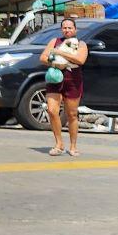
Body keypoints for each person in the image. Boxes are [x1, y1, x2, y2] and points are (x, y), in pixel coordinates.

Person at [40, 17, 88, 157]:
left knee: (72, 114)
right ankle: (59, 144)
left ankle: (73, 146)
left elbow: (80, 60)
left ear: (75, 29)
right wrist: (55, 63)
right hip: (55, 79)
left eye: (70, 28)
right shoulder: (55, 42)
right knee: (51, 110)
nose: (67, 30)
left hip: (73, 81)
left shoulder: (81, 44)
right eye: (64, 28)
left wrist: (60, 53)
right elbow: (43, 57)